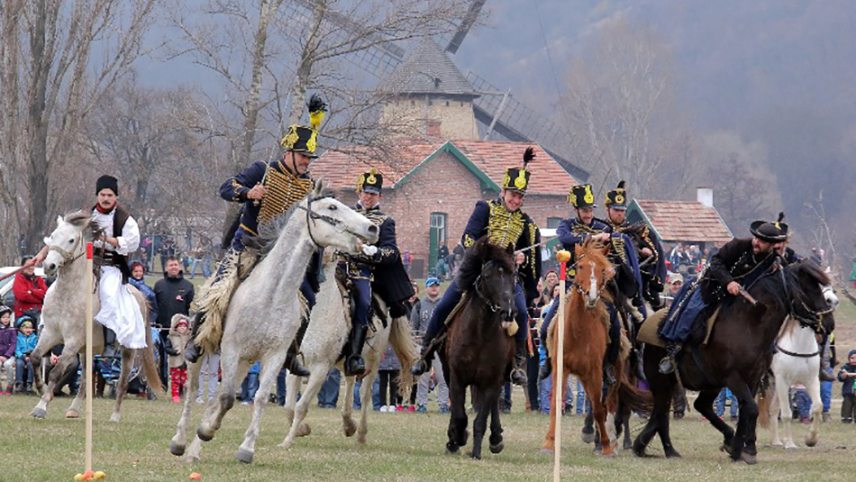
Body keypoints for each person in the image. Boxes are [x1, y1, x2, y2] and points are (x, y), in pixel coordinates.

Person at [183, 96, 328, 378]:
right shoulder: (263, 170)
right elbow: (227, 187)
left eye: (310, 158)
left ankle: (291, 351)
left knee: (309, 297)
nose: (307, 162)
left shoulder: (309, 185)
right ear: (289, 152)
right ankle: (196, 342)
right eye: (303, 156)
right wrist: (248, 193)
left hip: (283, 256)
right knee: (219, 290)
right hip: (248, 244)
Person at [412, 147, 542, 386]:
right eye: (513, 194)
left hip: (506, 279)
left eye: (520, 197)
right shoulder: (485, 209)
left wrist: (519, 262)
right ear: (503, 191)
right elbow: (468, 238)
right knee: (445, 304)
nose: (516, 200)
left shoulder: (526, 223)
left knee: (522, 312)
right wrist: (488, 252)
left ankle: (517, 363)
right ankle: (425, 353)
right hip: (477, 271)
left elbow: (528, 257)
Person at [657, 216, 787, 374]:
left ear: (771, 245)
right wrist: (728, 282)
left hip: (740, 299)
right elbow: (716, 262)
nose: (756, 243)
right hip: (711, 288)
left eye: (762, 241)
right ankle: (673, 352)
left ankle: (763, 361)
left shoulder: (773, 260)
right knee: (691, 313)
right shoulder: (738, 245)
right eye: (756, 238)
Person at [338, 168, 414, 376]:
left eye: (373, 193)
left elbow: (392, 252)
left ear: (379, 196)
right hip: (339, 267)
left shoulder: (385, 221)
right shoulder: (346, 215)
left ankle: (354, 357)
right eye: (365, 192)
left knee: (363, 303)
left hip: (363, 271)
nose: (368, 197)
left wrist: (375, 252)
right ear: (359, 193)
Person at [603, 181, 666, 310]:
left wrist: (645, 252)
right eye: (616, 210)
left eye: (622, 210)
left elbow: (655, 257)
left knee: (642, 314)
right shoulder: (600, 231)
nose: (620, 213)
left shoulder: (636, 231)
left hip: (631, 286)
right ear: (607, 210)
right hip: (604, 284)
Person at [409, 277, 448, 413]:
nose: (434, 288)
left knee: (443, 377)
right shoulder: (419, 306)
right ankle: (421, 404)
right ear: (426, 288)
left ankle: (443, 404)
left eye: (436, 285)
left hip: (440, 345)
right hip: (423, 345)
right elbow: (413, 328)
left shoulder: (444, 305)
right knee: (423, 378)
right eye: (431, 286)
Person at [154, 256, 194, 386]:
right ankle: (163, 384)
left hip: (181, 332)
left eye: (176, 265)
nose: (174, 267)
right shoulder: (159, 285)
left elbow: (191, 308)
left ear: (180, 266)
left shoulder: (187, 286)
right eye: (171, 265)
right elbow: (154, 306)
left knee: (181, 359)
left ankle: (181, 386)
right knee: (162, 358)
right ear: (166, 268)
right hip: (163, 328)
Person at [164, 315, 192, 403]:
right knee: (175, 380)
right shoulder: (171, 337)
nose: (182, 328)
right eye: (180, 326)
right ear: (176, 327)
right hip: (175, 362)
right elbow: (167, 348)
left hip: (186, 362)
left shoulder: (189, 337)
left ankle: (183, 395)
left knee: (184, 380)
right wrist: (174, 351)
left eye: (184, 326)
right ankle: (175, 395)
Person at [128, 261, 159, 327]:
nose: (138, 273)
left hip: (144, 321)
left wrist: (150, 321)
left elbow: (154, 308)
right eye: (136, 271)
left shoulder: (148, 289)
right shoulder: (126, 287)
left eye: (140, 271)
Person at [14, 314, 38, 393]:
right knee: (19, 364)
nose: (29, 330)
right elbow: (17, 349)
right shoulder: (18, 338)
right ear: (20, 329)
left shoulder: (34, 338)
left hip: (31, 356)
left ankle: (29, 384)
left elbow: (35, 348)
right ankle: (19, 384)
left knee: (31, 365)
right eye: (26, 328)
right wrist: (22, 356)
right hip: (21, 356)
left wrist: (30, 355)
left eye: (30, 328)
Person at [0, 305, 16, 394]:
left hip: (9, 355)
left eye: (8, 317)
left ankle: (10, 385)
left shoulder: (12, 330)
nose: (6, 319)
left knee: (7, 365)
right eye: (3, 317)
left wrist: (6, 355)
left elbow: (13, 344)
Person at [837, 349, 856, 423]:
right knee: (846, 407)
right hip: (848, 393)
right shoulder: (845, 368)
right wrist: (843, 376)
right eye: (852, 358)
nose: (854, 360)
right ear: (849, 359)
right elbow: (840, 378)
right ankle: (846, 419)